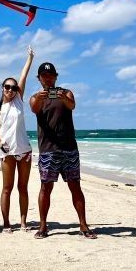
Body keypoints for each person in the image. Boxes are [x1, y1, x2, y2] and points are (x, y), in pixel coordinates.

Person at [29, 61, 97, 239]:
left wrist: (62, 97)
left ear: (56, 77)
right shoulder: (36, 97)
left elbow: (72, 106)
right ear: (39, 78)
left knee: (75, 186)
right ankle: (43, 226)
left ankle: (83, 225)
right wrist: (41, 97)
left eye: (51, 75)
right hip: (48, 149)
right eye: (44, 76)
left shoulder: (66, 93)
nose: (48, 78)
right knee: (45, 188)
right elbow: (34, 109)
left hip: (69, 148)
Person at [0, 46, 34, 233]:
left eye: (13, 87)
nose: (10, 90)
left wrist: (30, 58)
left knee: (22, 187)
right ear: (2, 88)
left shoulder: (19, 100)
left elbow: (23, 76)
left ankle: (24, 222)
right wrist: (0, 145)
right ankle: (7, 223)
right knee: (7, 188)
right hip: (7, 152)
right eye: (7, 87)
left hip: (24, 150)